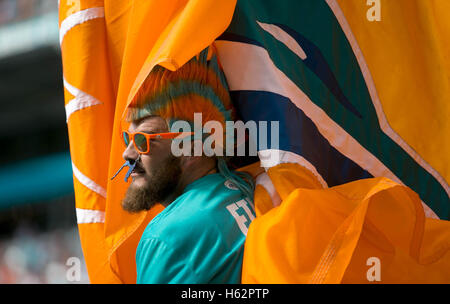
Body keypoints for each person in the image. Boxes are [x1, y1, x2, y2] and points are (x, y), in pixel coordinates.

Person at [120, 46, 256, 283]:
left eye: (143, 139)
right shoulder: (250, 187)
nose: (127, 154)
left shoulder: (167, 237)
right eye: (128, 138)